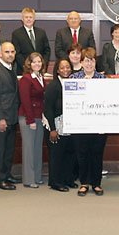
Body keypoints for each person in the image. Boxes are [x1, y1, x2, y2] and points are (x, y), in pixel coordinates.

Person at [70, 48, 107, 197]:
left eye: (92, 60)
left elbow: (108, 102)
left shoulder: (103, 80)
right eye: (86, 60)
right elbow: (70, 101)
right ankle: (84, 182)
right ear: (81, 62)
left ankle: (96, 183)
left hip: (99, 125)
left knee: (97, 154)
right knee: (82, 154)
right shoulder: (74, 79)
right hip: (80, 124)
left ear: (95, 62)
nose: (89, 63)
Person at [0, 42, 21, 190]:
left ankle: (6, 174)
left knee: (9, 149)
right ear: (0, 53)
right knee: (0, 149)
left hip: (12, 116)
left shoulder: (12, 69)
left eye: (12, 52)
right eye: (7, 52)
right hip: (2, 117)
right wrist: (0, 118)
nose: (10, 54)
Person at [44, 59, 76, 192]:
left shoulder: (74, 83)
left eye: (68, 67)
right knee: (57, 155)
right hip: (56, 124)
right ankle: (56, 182)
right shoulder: (53, 86)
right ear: (57, 70)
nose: (65, 70)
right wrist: (52, 129)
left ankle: (68, 179)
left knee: (69, 153)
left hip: (71, 124)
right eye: (62, 68)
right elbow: (48, 109)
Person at [18, 52, 47, 188]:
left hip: (39, 116)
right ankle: (29, 179)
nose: (37, 64)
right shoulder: (26, 79)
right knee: (29, 149)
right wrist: (30, 120)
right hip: (28, 117)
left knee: (37, 148)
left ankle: (37, 177)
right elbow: (25, 101)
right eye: (34, 62)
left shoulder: (41, 77)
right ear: (29, 64)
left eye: (39, 61)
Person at [12, 7, 51, 75]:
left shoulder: (41, 32)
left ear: (34, 19)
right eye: (26, 17)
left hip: (40, 70)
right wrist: (28, 67)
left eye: (30, 17)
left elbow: (47, 50)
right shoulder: (16, 34)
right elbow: (17, 54)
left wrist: (42, 65)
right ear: (22, 19)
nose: (28, 19)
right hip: (24, 71)